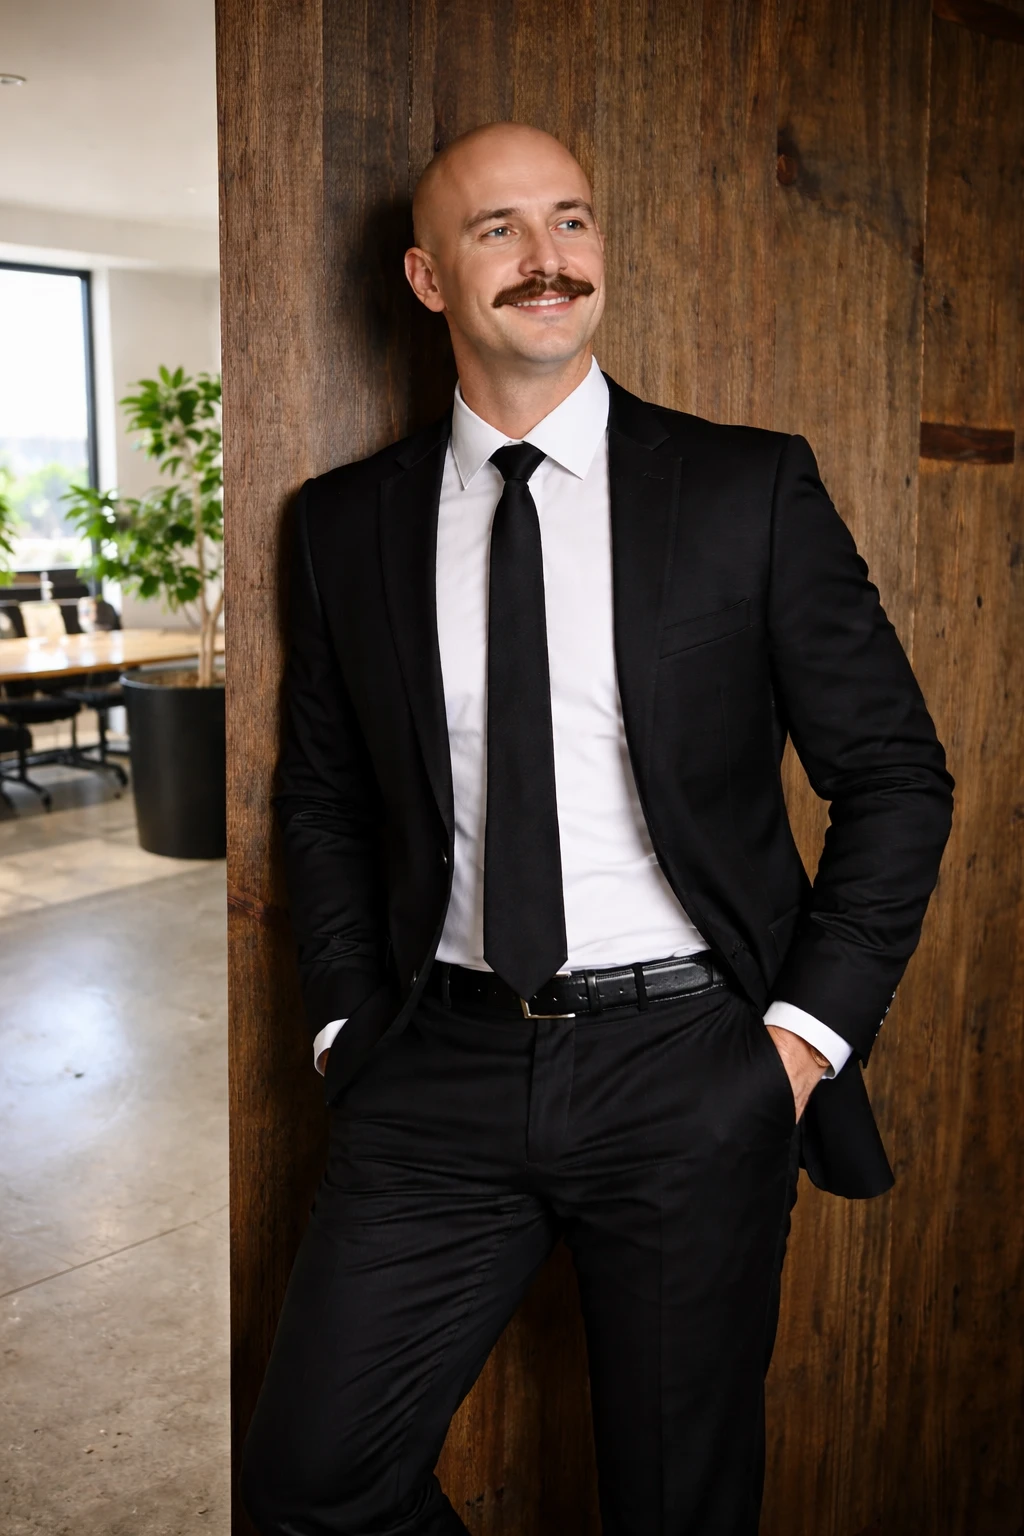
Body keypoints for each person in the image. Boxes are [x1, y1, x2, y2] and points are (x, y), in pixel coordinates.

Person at [240, 122, 953, 1535]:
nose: (548, 259)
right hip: (434, 1067)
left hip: (689, 1068)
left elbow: (896, 775)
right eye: (499, 229)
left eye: (571, 221)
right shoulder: (343, 527)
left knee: (678, 1508)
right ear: (429, 276)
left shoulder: (747, 490)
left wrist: (797, 1047)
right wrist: (343, 1033)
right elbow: (321, 797)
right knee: (306, 1486)